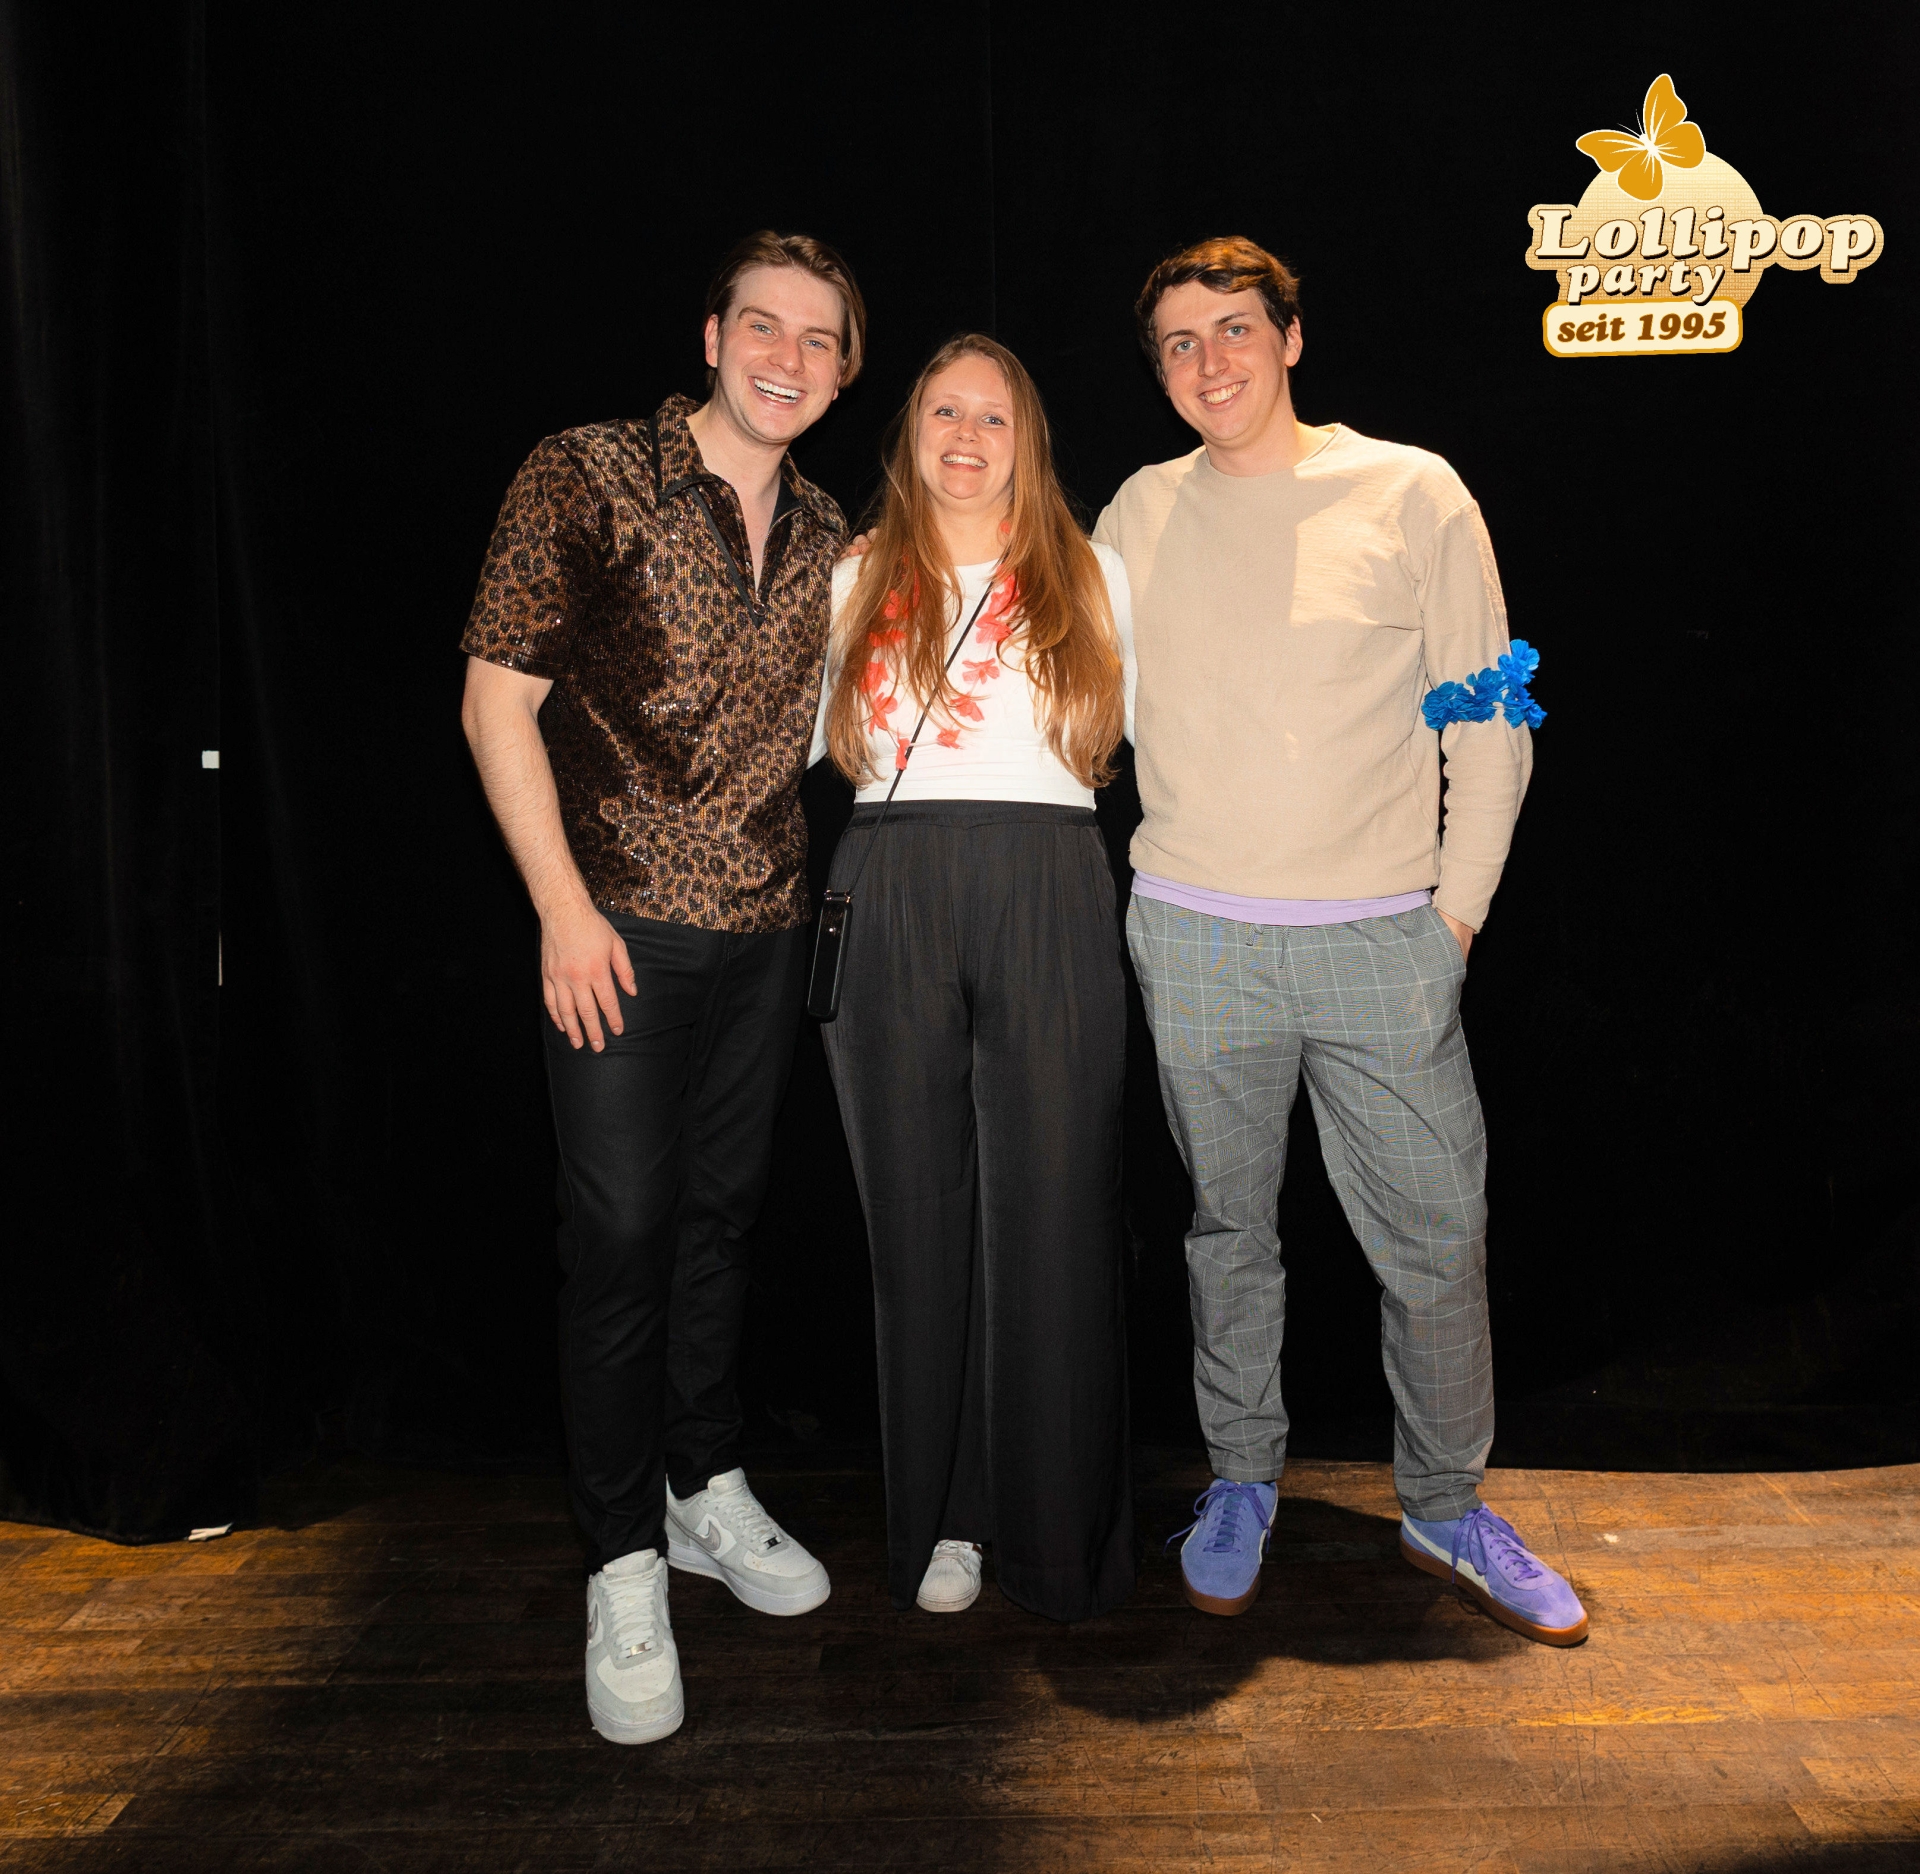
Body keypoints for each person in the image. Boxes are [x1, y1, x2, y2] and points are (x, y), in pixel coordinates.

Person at [1095, 237, 1588, 1646]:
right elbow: (1061, 677)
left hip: (1383, 942)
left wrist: (1456, 918)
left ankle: (1444, 1503)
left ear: (1291, 338)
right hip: (1196, 938)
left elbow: (1489, 719)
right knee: (1227, 1234)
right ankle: (1242, 1476)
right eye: (1180, 343)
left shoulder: (1411, 491)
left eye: (1235, 329)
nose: (1210, 362)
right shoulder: (1136, 510)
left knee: (1436, 1242)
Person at [459, 230, 865, 1744]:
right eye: (763, 325)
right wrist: (561, 911)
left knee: (719, 1223)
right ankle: (621, 1558)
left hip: (768, 929)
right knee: (620, 1238)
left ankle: (704, 1484)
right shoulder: (585, 473)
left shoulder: (830, 529)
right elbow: (493, 701)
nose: (786, 356)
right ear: (711, 335)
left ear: (844, 373)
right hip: (615, 929)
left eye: (818, 339)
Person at [812, 334, 1138, 1623]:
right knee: (917, 1220)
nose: (966, 435)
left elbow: (1144, 737)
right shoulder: (851, 578)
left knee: (1055, 1213)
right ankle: (945, 1517)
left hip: (1049, 879)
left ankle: (1053, 1535)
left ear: (1026, 440)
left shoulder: (1094, 573)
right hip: (888, 880)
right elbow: (789, 743)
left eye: (992, 416)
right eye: (944, 411)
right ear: (909, 431)